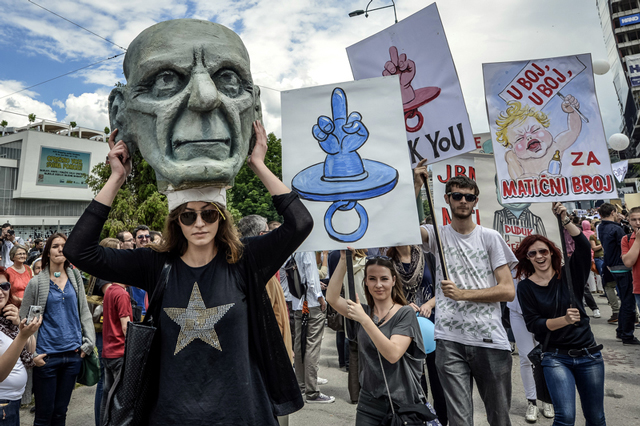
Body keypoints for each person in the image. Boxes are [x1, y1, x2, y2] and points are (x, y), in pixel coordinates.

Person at [63, 121, 312, 425]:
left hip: (242, 413)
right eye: (188, 214)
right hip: (170, 416)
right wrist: (117, 177)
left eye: (208, 213)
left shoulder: (245, 260)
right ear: (176, 221)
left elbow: (300, 222)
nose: (199, 223)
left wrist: (257, 163)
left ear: (221, 218)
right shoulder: (155, 265)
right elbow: (78, 250)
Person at [419, 174, 517, 426]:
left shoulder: (490, 237)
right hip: (449, 340)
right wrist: (417, 184)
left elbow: (507, 290)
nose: (463, 201)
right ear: (447, 200)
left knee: (499, 418)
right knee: (459, 420)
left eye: (469, 197)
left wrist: (463, 294)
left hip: (489, 340)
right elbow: (402, 229)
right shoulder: (437, 235)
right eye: (457, 196)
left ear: (475, 201)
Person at [516, 203, 606, 426]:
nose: (539, 256)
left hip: (589, 355)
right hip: (555, 357)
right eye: (533, 253)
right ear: (527, 258)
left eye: (543, 251)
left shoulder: (569, 275)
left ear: (551, 252)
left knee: (596, 418)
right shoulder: (525, 287)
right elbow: (533, 324)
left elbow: (584, 247)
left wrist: (565, 219)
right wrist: (564, 320)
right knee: (565, 417)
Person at [326, 252, 426, 426]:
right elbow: (332, 298)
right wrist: (343, 260)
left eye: (384, 279)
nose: (378, 284)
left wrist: (364, 319)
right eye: (372, 279)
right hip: (369, 402)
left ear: (393, 281)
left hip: (402, 403)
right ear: (365, 281)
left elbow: (393, 353)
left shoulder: (405, 313)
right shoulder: (362, 310)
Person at [20, 233, 95, 426]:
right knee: (44, 415)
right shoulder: (36, 282)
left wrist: (88, 343)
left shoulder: (75, 277)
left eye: (64, 246)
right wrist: (33, 354)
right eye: (55, 246)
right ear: (47, 252)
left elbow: (84, 311)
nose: (60, 249)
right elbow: (24, 320)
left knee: (61, 413)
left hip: (72, 354)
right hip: (47, 357)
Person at [385, 245, 448, 425]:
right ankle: (419, 420)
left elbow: (444, 289)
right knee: (415, 382)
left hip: (433, 328)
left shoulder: (429, 258)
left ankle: (441, 421)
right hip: (405, 330)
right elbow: (384, 295)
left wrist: (429, 304)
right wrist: (402, 307)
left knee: (439, 382)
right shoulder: (389, 264)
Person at [0, 267, 45, 426]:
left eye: (4, 286)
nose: (1, 292)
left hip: (11, 401)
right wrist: (22, 335)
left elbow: (30, 349)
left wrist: (19, 323)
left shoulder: (5, 318)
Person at [289, 250, 334, 404]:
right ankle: (312, 392)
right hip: (311, 303)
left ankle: (301, 386)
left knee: (300, 344)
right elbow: (310, 274)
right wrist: (320, 296)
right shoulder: (307, 248)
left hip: (299, 303)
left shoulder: (293, 248)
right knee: (312, 345)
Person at [598, 203, 639, 345]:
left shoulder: (601, 227)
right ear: (613, 212)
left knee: (625, 300)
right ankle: (626, 334)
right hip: (622, 267)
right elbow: (627, 250)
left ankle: (622, 331)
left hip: (613, 266)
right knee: (628, 302)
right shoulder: (616, 229)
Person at [99, 268, 131, 425]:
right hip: (120, 352)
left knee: (107, 396)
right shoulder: (122, 294)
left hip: (108, 352)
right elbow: (126, 327)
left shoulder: (110, 290)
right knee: (120, 399)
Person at [621, 207, 640, 317]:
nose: (637, 223)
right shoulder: (626, 239)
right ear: (629, 221)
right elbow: (628, 262)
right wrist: (637, 240)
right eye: (634, 220)